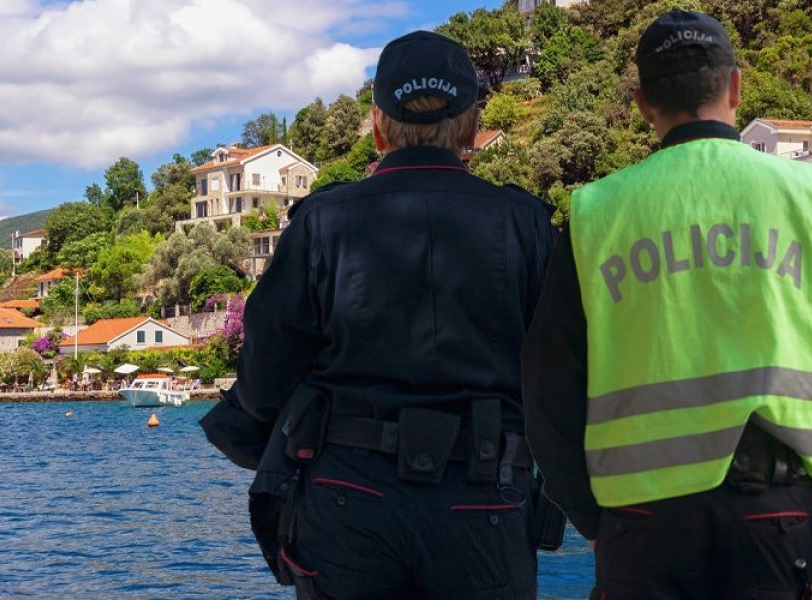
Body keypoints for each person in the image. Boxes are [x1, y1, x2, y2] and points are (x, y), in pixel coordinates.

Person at [521, 9, 812, 598]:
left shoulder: (595, 214)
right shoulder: (808, 198)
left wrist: (591, 518)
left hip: (640, 530)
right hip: (779, 524)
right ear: (735, 87)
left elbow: (547, 391)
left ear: (641, 103)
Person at [202, 30, 555, 599]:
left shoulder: (322, 221)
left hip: (348, 495)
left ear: (377, 126)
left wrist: (256, 437)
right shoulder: (526, 224)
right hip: (485, 495)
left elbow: (266, 369)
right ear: (471, 126)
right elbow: (563, 373)